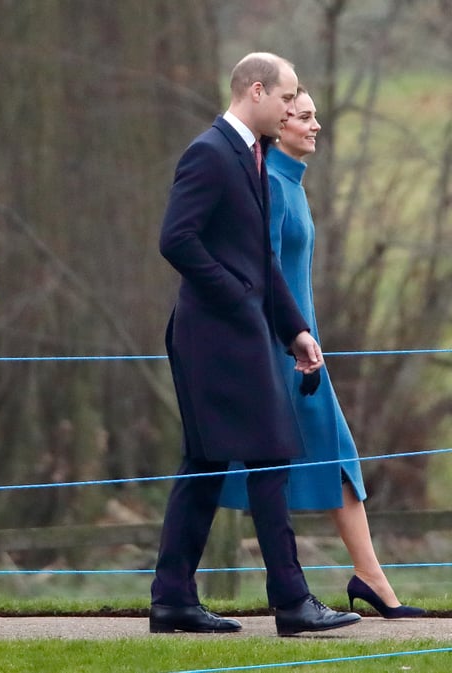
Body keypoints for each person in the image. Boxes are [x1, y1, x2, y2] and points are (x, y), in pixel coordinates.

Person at [150, 52, 361, 637]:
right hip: (214, 338)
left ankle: (172, 599)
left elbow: (261, 258)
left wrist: (295, 329)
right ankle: (291, 602)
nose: (296, 108)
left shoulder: (252, 156)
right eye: (289, 97)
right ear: (259, 91)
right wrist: (239, 297)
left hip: (238, 334)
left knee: (207, 464)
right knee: (270, 454)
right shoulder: (210, 153)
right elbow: (177, 239)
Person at [219, 88, 424, 619]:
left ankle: (368, 578)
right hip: (281, 356)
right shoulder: (271, 189)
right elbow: (256, 275)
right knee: (239, 467)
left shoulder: (292, 186)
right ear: (279, 123)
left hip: (302, 351)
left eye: (315, 117)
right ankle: (184, 588)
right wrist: (286, 341)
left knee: (332, 460)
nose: (316, 126)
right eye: (305, 117)